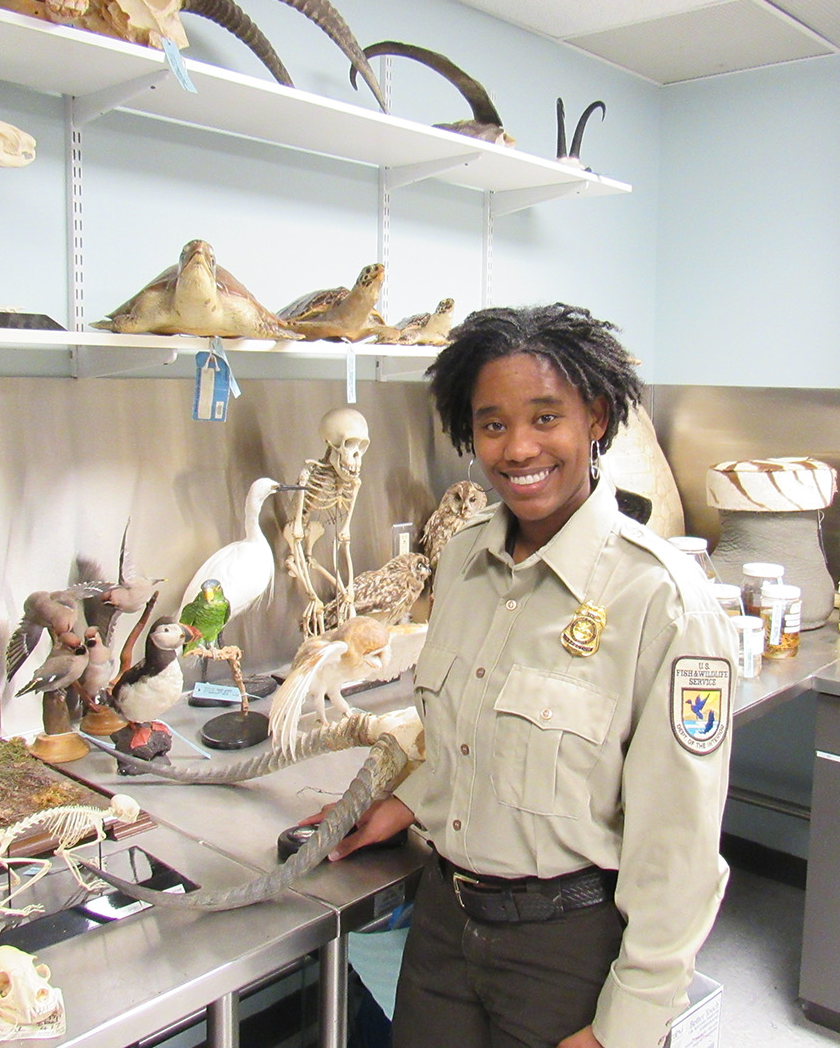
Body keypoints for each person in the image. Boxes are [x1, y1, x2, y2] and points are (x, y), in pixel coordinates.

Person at [313, 303, 737, 1048]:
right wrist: (410, 799)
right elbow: (468, 729)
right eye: (493, 424)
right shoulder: (465, 559)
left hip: (568, 950)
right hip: (446, 925)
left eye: (546, 417)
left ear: (596, 418)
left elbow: (681, 846)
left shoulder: (663, 600)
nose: (518, 448)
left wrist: (627, 1026)